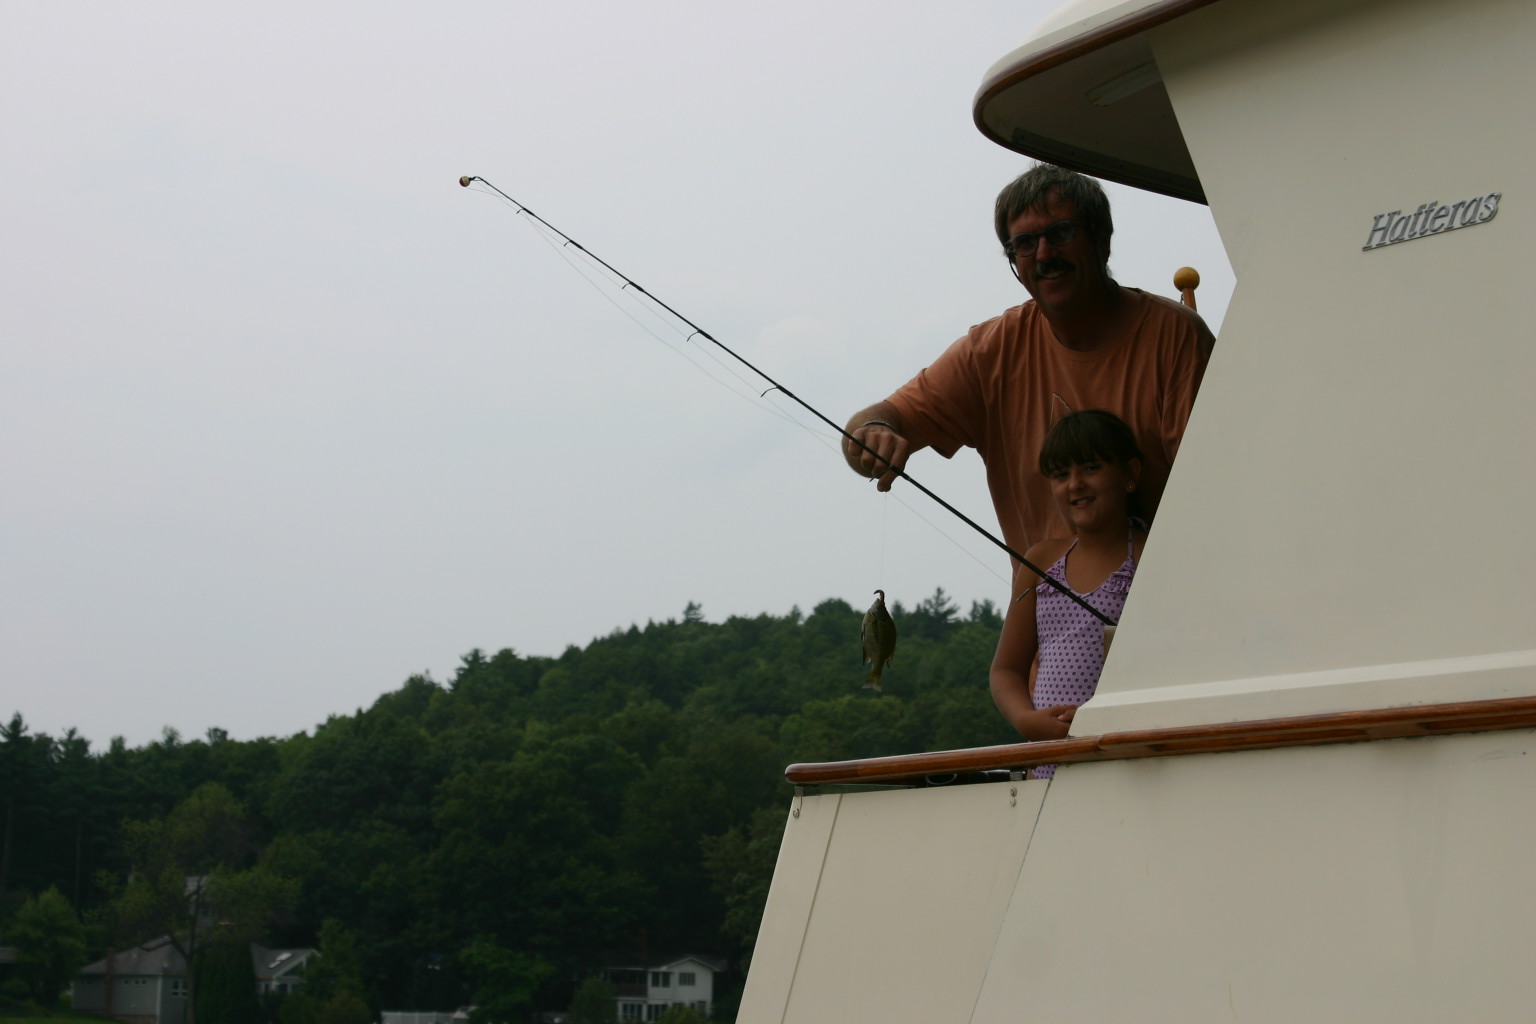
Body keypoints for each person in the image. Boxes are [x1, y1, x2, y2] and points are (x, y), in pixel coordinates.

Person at [841, 164, 1214, 577]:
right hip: (1048, 631)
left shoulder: (1178, 336)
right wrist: (873, 432)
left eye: (1061, 234)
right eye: (1024, 243)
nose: (1043, 255)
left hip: (1176, 607)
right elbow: (878, 421)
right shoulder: (991, 351)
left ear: (1101, 239)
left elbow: (1214, 493)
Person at [989, 410, 1146, 779]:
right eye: (1061, 475)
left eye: (1091, 467)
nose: (1075, 484)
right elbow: (1005, 670)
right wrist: (1026, 720)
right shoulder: (1040, 560)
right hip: (1045, 772)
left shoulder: (1150, 556)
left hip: (1121, 767)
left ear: (1130, 475)